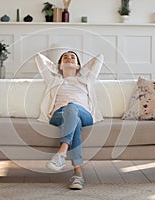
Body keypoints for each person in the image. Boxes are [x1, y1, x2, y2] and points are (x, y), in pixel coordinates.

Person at [35, 51, 104, 190]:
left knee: (72, 107)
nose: (69, 58)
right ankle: (78, 174)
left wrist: (79, 68)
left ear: (79, 65)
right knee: (74, 119)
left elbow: (99, 58)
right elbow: (38, 57)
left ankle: (62, 153)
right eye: (65, 57)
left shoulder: (86, 80)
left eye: (73, 57)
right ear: (59, 65)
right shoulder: (53, 80)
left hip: (85, 114)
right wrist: (58, 68)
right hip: (59, 114)